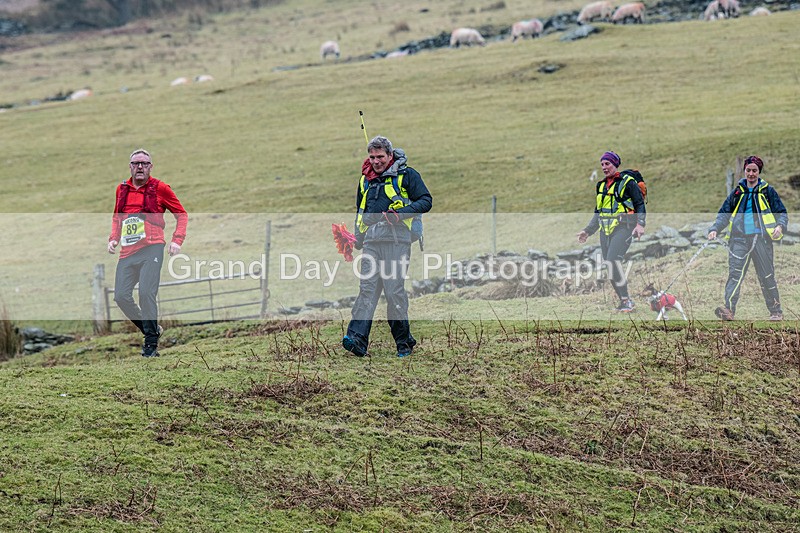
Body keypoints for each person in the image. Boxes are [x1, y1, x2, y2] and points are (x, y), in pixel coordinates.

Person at [342, 136, 432, 358]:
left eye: (380, 157)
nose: (376, 161)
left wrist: (399, 216)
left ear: (390, 155)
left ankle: (404, 343)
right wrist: (358, 238)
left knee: (393, 292)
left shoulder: (408, 175)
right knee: (367, 290)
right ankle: (356, 341)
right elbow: (360, 211)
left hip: (397, 241)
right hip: (371, 243)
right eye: (372, 157)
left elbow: (426, 201)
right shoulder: (365, 180)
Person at [108, 149, 188, 357]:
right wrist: (113, 239)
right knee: (121, 296)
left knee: (146, 293)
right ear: (130, 166)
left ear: (151, 166)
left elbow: (181, 214)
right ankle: (151, 329)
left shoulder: (160, 188)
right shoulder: (122, 189)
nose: (140, 167)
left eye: (144, 163)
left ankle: (150, 348)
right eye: (136, 163)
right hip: (127, 251)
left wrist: (176, 240)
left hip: (152, 247)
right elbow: (117, 217)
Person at [707, 155, 787, 321]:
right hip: (739, 241)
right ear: (744, 171)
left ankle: (776, 311)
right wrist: (715, 229)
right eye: (748, 170)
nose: (751, 173)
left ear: (759, 172)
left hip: (762, 240)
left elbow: (781, 212)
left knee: (767, 275)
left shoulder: (768, 191)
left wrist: (780, 226)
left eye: (754, 170)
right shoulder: (737, 192)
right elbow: (724, 213)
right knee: (734, 275)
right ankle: (728, 310)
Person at [576, 151, 646, 312]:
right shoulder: (600, 186)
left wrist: (640, 224)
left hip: (624, 227)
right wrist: (587, 231)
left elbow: (639, 204)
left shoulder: (627, 182)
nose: (604, 167)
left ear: (615, 164)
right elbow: (598, 211)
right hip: (605, 230)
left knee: (613, 261)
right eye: (602, 164)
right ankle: (624, 301)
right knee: (609, 265)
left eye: (607, 164)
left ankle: (628, 301)